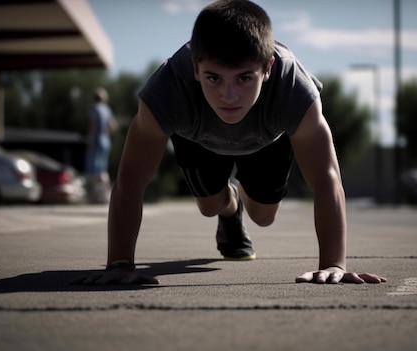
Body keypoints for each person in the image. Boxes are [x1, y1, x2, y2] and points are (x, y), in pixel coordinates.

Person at [79, 0, 386, 285]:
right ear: (196, 69)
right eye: (214, 78)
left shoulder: (293, 89)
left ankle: (241, 204)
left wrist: (334, 264)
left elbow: (326, 177)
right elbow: (131, 178)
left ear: (267, 68)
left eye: (243, 78)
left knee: (264, 217)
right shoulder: (169, 89)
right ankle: (230, 207)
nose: (229, 96)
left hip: (268, 141)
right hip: (197, 139)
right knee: (209, 206)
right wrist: (119, 262)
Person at [85, 87, 117, 203]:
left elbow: (92, 127)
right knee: (103, 169)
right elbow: (113, 127)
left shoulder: (94, 109)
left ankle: (95, 197)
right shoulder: (107, 110)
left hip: (97, 141)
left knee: (94, 171)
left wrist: (90, 140)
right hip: (106, 141)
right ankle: (106, 195)